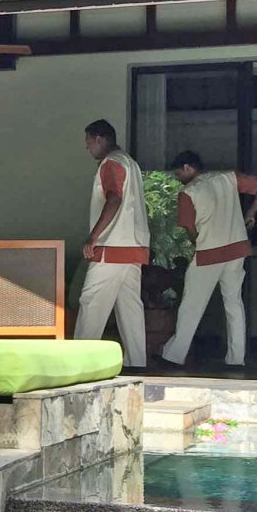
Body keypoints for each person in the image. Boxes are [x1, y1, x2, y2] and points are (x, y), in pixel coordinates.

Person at [160, 152, 257, 369]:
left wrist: (198, 243)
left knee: (192, 305)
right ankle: (236, 359)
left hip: (208, 253)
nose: (178, 178)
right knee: (234, 304)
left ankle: (174, 356)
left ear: (188, 167)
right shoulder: (228, 178)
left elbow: (190, 229)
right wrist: (250, 213)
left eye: (178, 173)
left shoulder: (188, 192)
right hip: (237, 249)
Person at [76, 119, 150, 371]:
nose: (87, 148)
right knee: (130, 307)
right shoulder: (131, 163)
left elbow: (114, 199)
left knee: (91, 302)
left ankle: (79, 363)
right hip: (134, 247)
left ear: (99, 139)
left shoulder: (111, 163)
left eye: (88, 142)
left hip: (112, 247)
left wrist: (93, 237)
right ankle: (137, 363)